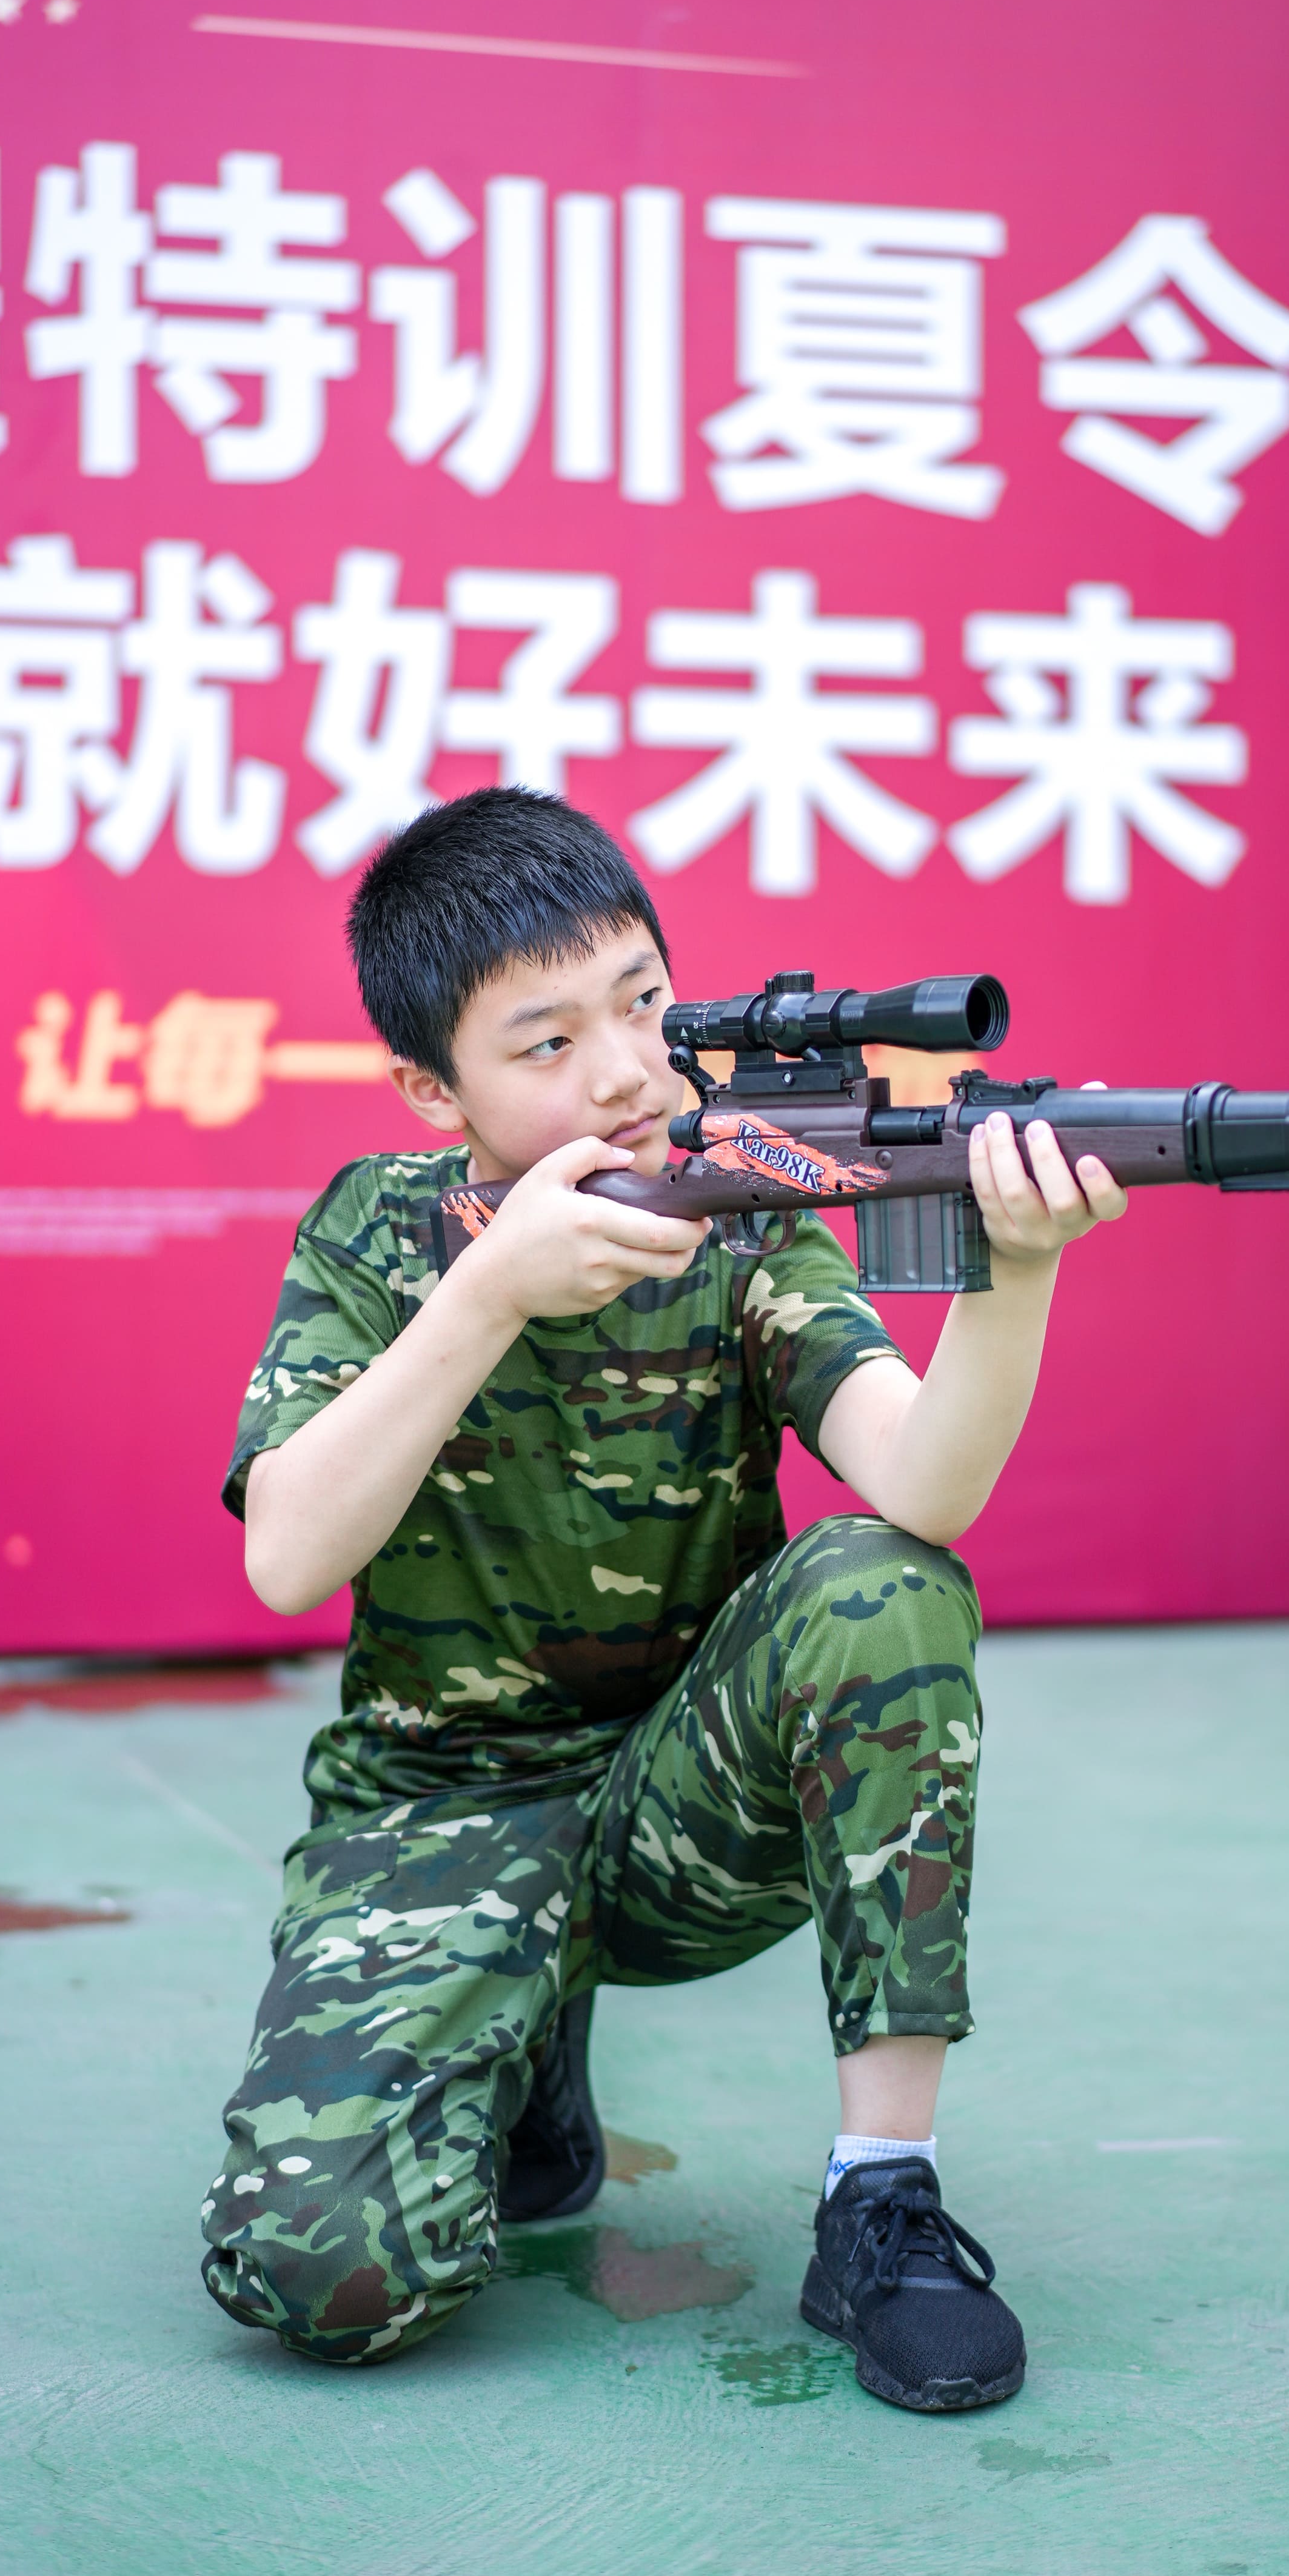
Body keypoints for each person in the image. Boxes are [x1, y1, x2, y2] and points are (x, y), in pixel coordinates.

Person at [201, 786, 1125, 2412]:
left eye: (645, 1002)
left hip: (677, 1812)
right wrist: (487, 1293)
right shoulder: (376, 1230)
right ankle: (522, 2045)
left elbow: (923, 1485)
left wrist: (1018, 1271)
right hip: (437, 1821)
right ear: (432, 1087)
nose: (628, 1070)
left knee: (879, 1581)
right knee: (320, 2279)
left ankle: (881, 2195)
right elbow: (288, 1554)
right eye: (548, 1042)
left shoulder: (743, 1210)